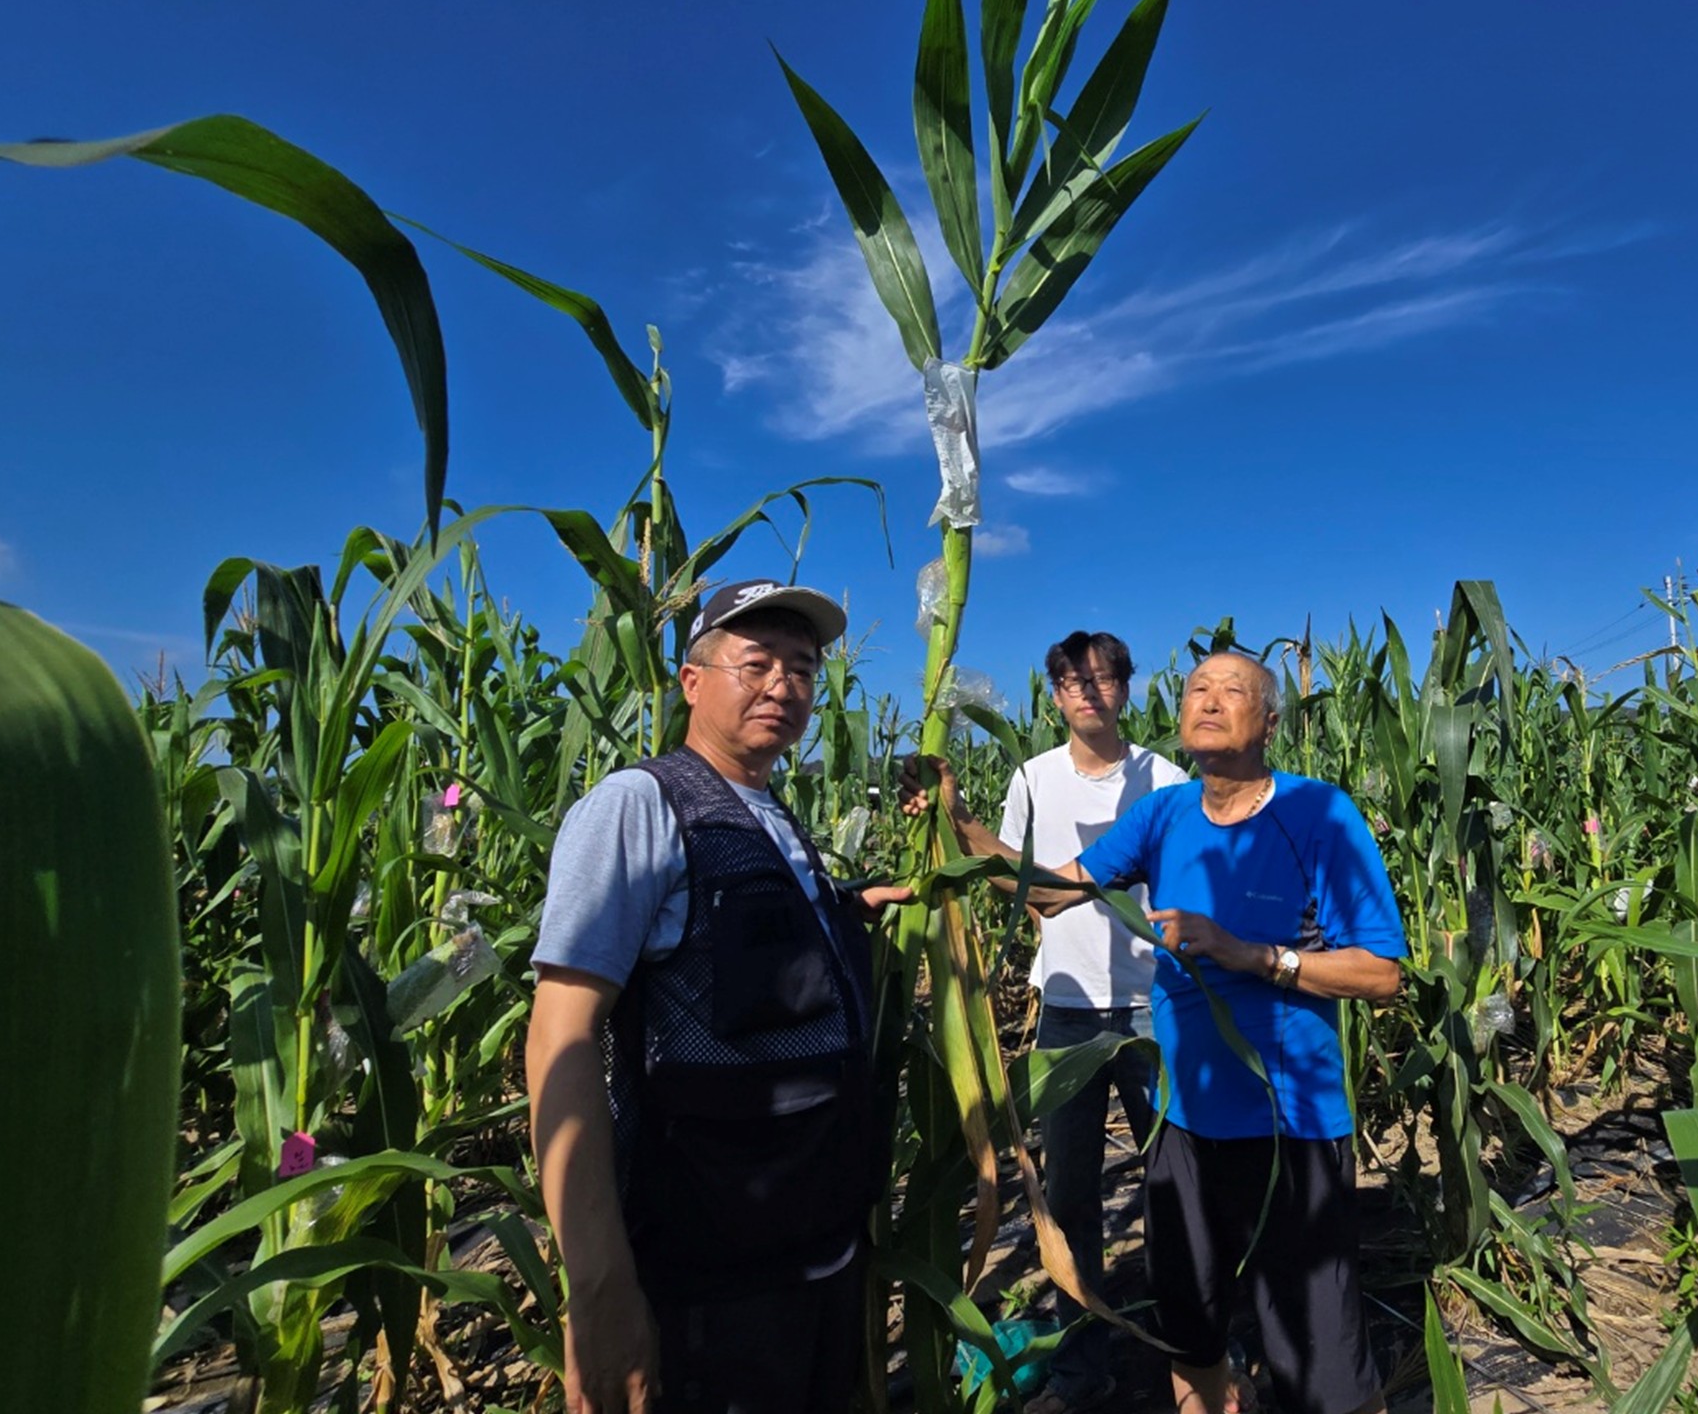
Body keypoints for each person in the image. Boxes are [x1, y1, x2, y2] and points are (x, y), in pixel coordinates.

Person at [907, 651, 1406, 1414]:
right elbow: (1050, 891)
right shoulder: (1163, 816)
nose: (1208, 699)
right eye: (1197, 688)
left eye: (1232, 690)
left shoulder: (1320, 815)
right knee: (1189, 1327)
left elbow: (1381, 974)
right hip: (1184, 1128)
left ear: (1270, 723)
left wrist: (1255, 956)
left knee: (1318, 1360)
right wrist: (959, 818)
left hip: (1291, 1129)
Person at [526, 579, 912, 1414]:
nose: (783, 685)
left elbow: (738, 946)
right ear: (691, 681)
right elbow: (559, 1034)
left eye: (803, 668)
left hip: (813, 1253)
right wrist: (597, 1288)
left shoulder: (773, 813)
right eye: (758, 662)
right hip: (711, 1279)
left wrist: (852, 910)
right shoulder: (639, 808)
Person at [999, 632, 1189, 1414]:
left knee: (1178, 1189)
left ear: (1126, 690)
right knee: (1071, 1200)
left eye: (1104, 678)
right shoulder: (1032, 781)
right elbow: (1016, 886)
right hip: (1069, 1011)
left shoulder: (1164, 779)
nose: (1088, 691)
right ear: (1054, 695)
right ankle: (1083, 1368)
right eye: (1072, 681)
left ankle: (1198, 1355)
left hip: (1153, 1009)